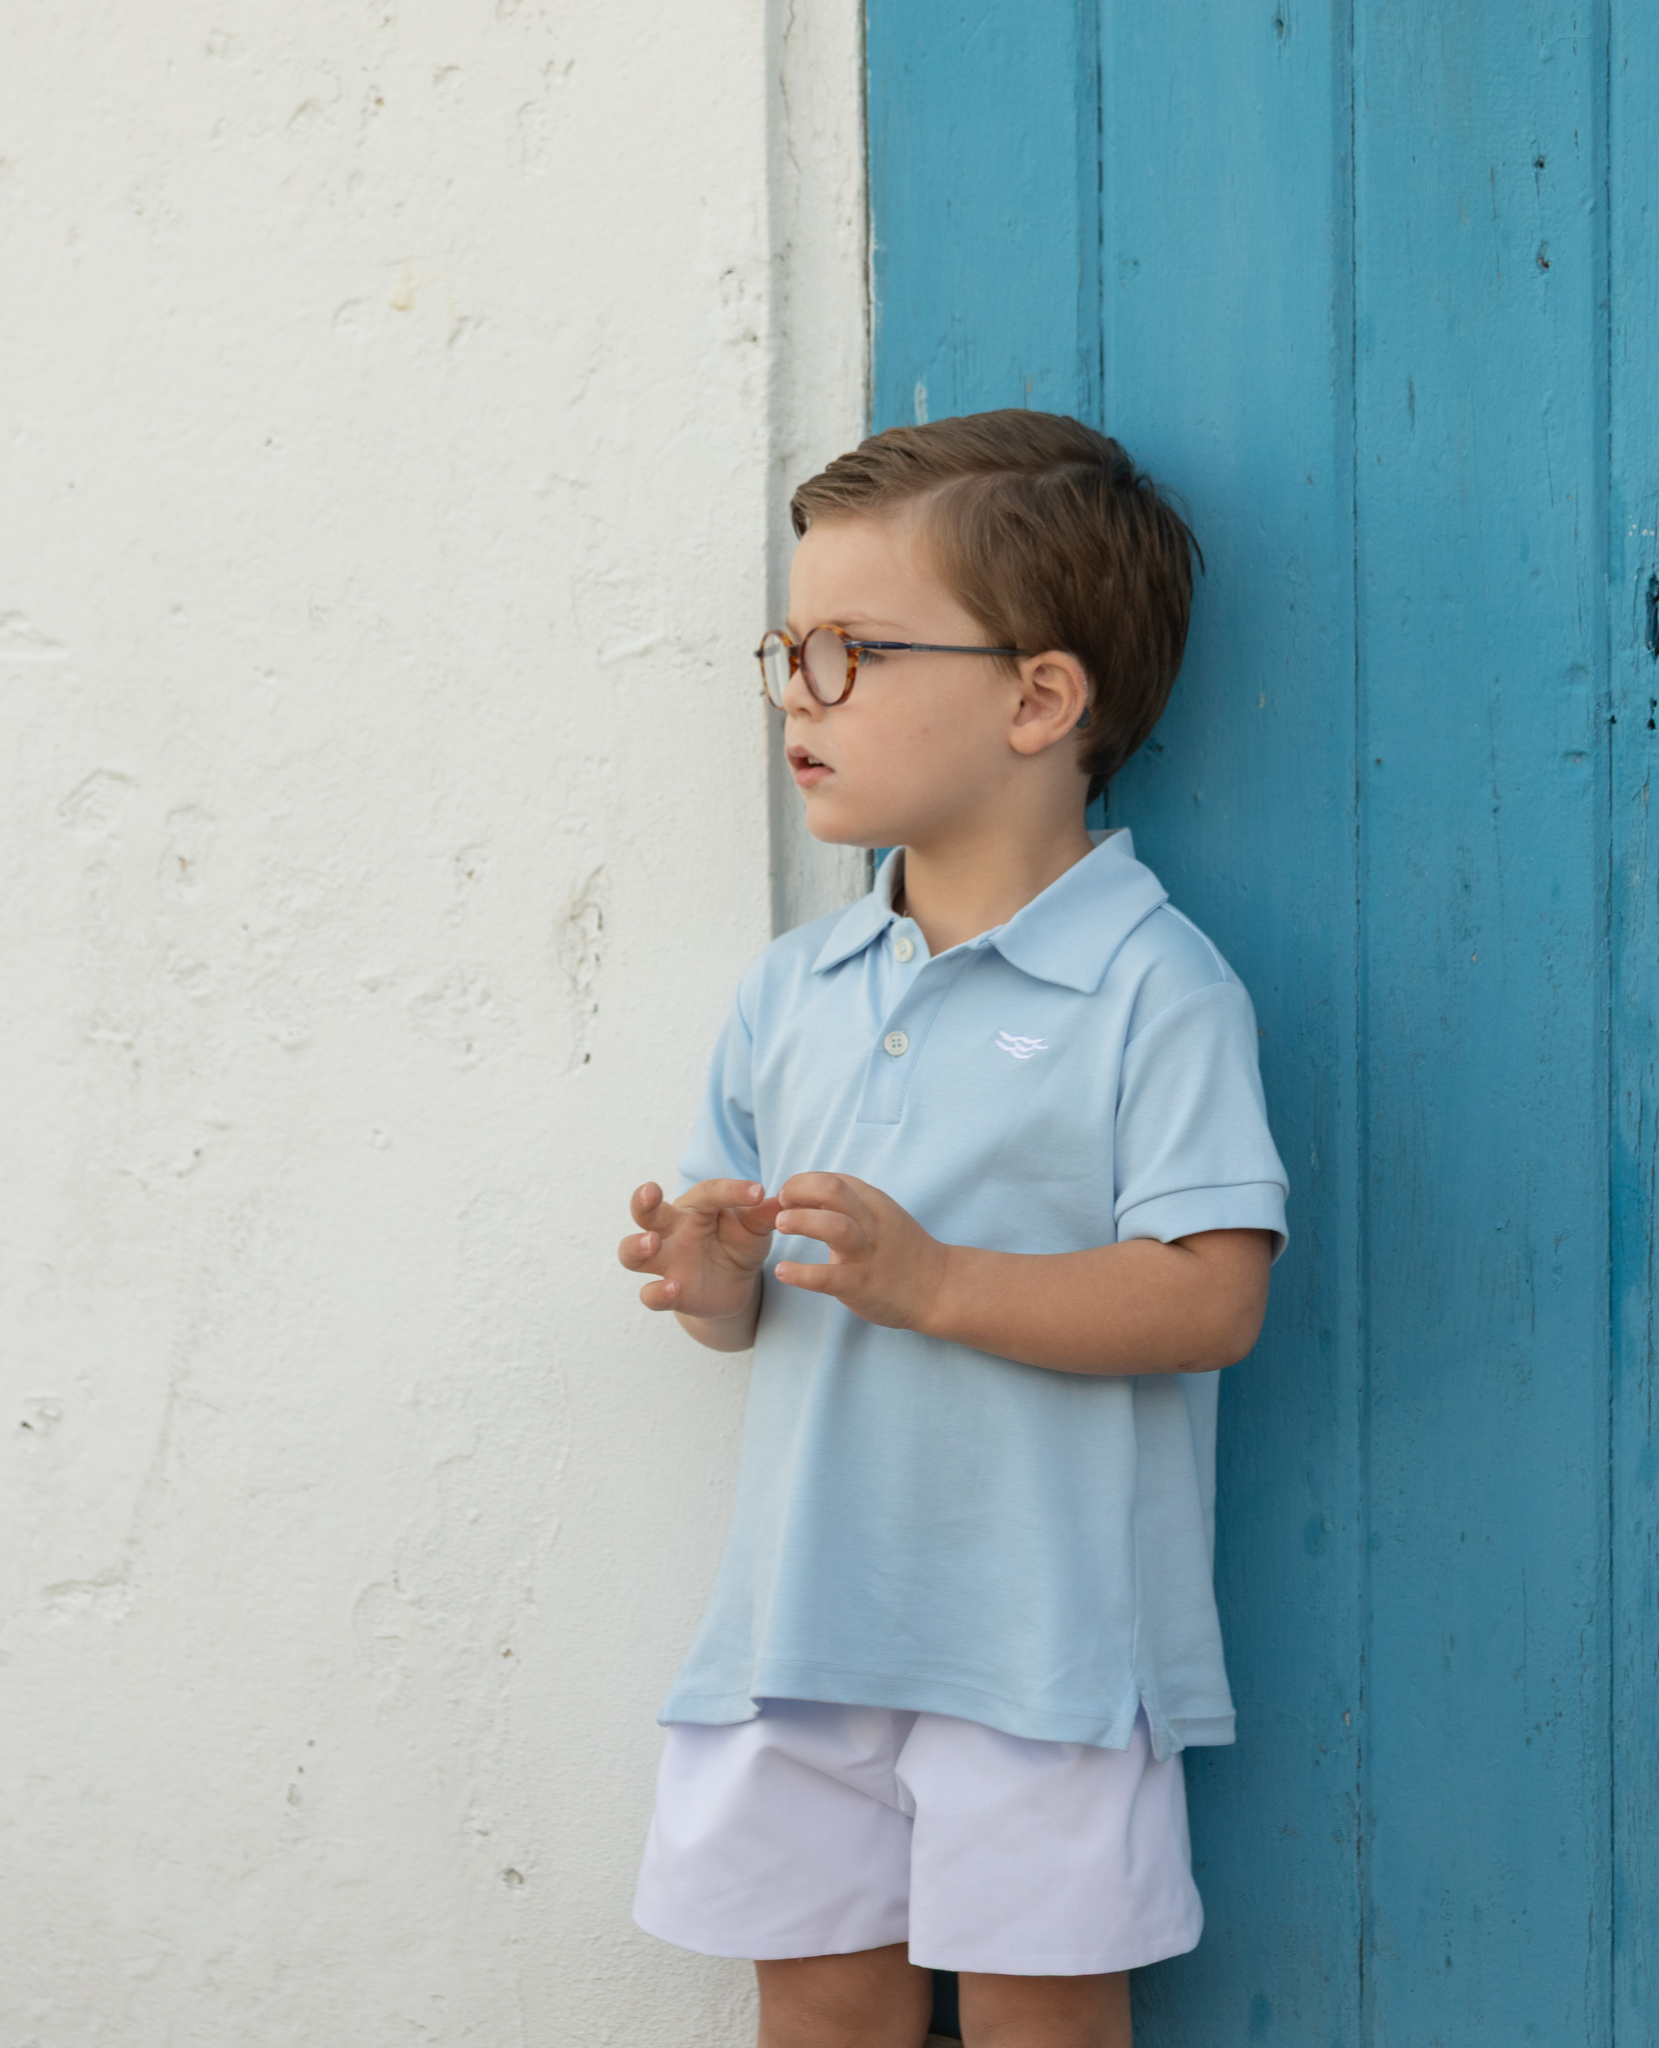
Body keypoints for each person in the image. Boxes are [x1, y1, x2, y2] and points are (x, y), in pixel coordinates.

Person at [617, 411, 1288, 2048]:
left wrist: (937, 1281)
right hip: (801, 1631)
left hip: (1047, 1657)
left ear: (1040, 698)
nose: (798, 689)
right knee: (818, 2005)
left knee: (1043, 2019)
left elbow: (1212, 1302)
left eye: (851, 651)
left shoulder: (1154, 989)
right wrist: (712, 1281)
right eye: (789, 647)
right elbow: (752, 1304)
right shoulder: (794, 990)